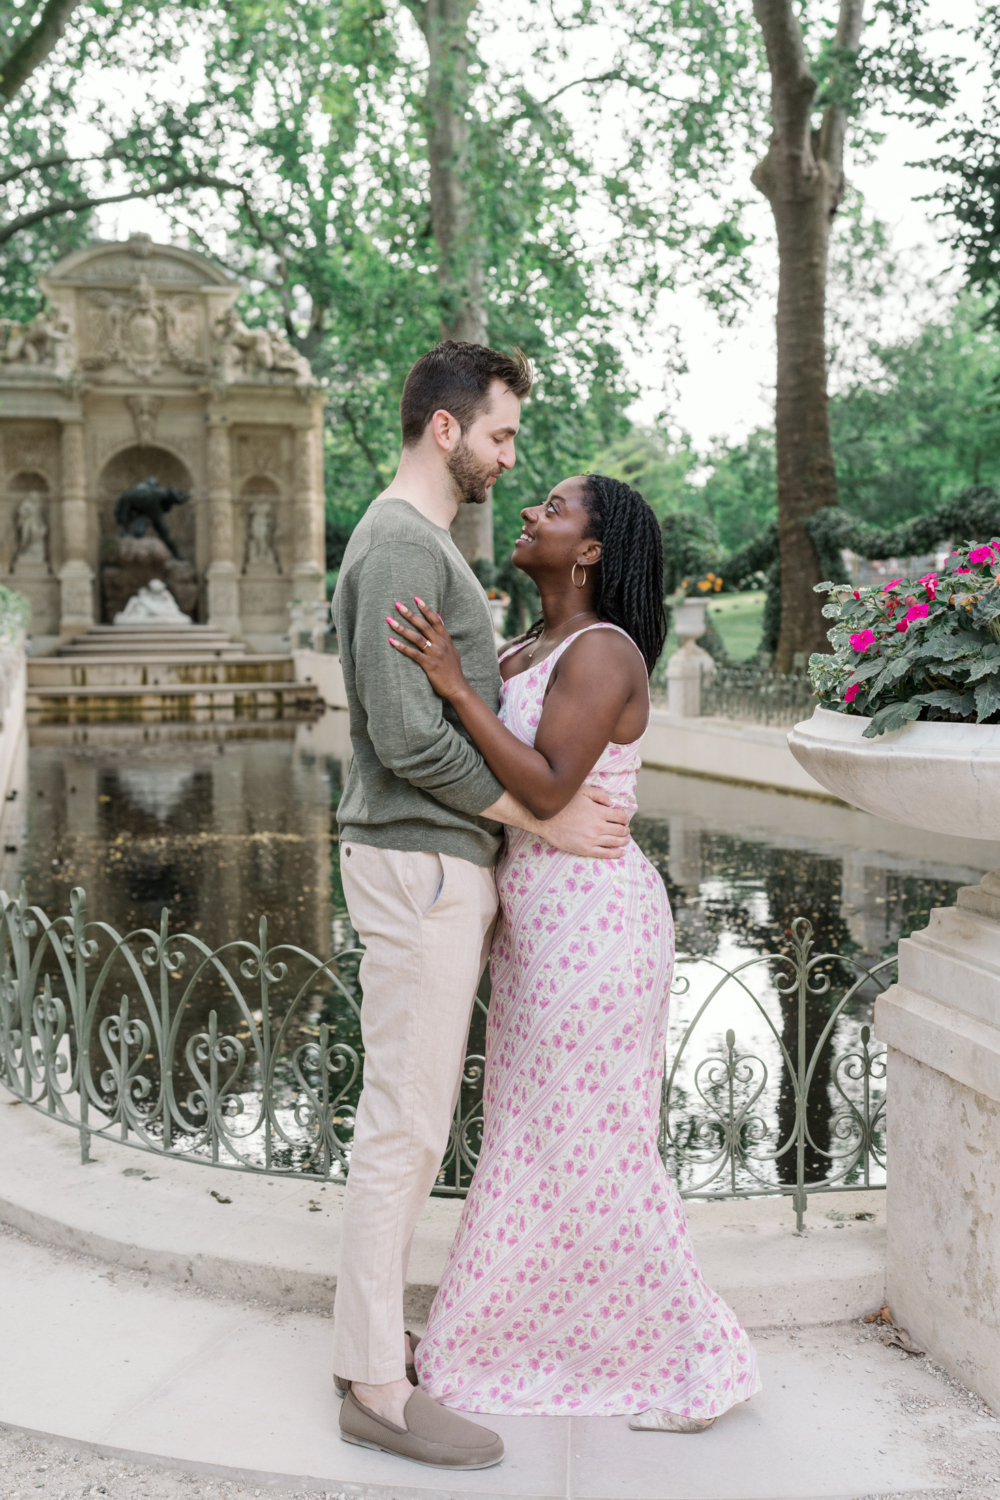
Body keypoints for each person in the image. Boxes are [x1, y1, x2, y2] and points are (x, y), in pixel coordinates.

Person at [387, 472, 762, 1429]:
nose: (530, 513)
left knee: (598, 1141)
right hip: (536, 920)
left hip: (595, 923)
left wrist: (455, 688)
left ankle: (693, 1365)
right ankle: (500, 1344)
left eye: (554, 510)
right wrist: (463, 686)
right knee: (532, 1142)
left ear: (591, 551)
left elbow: (551, 789)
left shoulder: (603, 653)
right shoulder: (529, 645)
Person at [331, 344, 635, 1471]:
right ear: (447, 431)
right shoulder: (402, 540)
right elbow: (407, 735)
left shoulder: (422, 545)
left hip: (431, 862)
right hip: (417, 864)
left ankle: (369, 1340)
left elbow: (439, 710)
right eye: (502, 436)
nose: (512, 458)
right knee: (405, 1124)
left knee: (408, 1117)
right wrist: (541, 818)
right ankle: (372, 1385)